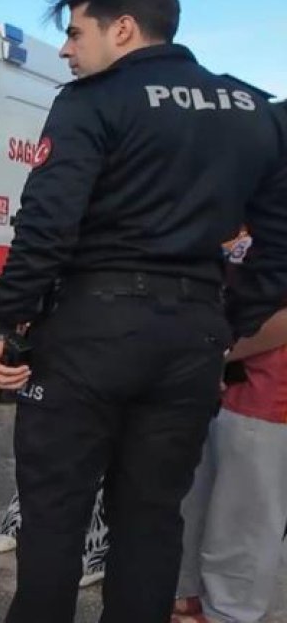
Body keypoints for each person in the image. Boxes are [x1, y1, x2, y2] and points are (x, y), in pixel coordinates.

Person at [0, 0, 287, 623]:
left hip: (90, 331)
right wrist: (230, 325)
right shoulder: (253, 109)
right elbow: (279, 243)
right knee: (150, 520)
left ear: (122, 29)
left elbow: (47, 224)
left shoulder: (93, 100)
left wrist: (5, 322)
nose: (66, 50)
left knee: (55, 514)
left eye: (75, 32)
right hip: (193, 338)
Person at [174, 231, 287, 623]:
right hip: (217, 386)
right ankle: (192, 594)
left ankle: (230, 612)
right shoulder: (249, 223)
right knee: (200, 502)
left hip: (269, 393)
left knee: (246, 514)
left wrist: (215, 352)